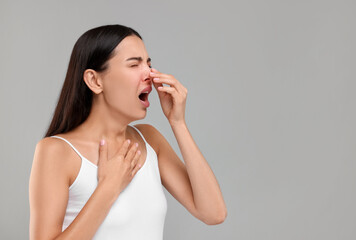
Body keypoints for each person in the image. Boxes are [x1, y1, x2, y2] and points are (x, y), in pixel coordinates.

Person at [29, 24, 227, 240]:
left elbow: (213, 213)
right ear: (95, 81)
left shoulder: (150, 140)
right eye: (134, 65)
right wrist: (108, 188)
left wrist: (177, 123)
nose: (150, 74)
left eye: (149, 64)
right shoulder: (56, 151)